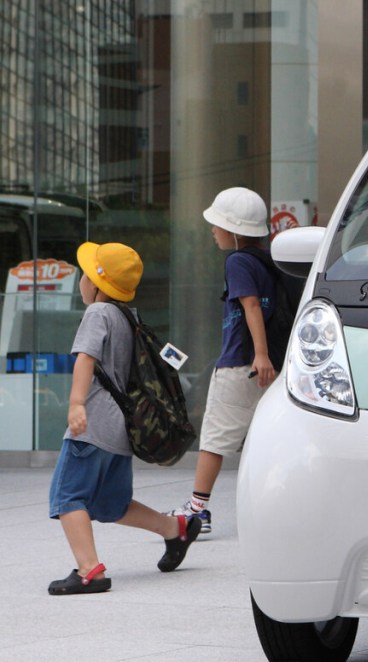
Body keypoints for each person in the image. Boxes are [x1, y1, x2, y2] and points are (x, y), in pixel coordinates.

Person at [48, 242, 201, 595]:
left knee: (66, 496)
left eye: (86, 274)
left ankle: (90, 571)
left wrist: (76, 404)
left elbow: (85, 359)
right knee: (109, 504)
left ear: (99, 284)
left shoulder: (97, 314)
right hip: (120, 428)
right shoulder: (127, 316)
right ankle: (174, 528)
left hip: (93, 426)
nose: (81, 281)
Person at [166, 187, 276, 534]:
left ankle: (198, 510)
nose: (213, 231)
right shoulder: (268, 261)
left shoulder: (238, 261)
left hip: (242, 363)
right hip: (268, 366)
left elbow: (251, 306)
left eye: (217, 224)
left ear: (235, 230)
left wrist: (259, 354)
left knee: (214, 439)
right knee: (264, 440)